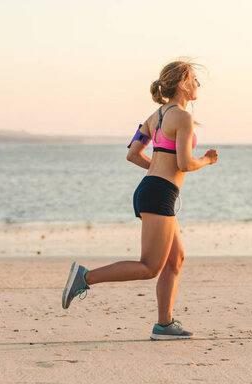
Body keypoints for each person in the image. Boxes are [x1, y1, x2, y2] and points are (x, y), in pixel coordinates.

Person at [62, 59, 218, 340]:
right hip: (158, 192)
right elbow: (183, 164)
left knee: (176, 259)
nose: (198, 84)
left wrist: (159, 171)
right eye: (194, 79)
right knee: (150, 266)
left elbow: (132, 154)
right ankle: (84, 278)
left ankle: (164, 325)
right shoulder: (182, 117)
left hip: (152, 189)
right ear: (182, 84)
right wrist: (206, 160)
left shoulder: (154, 116)